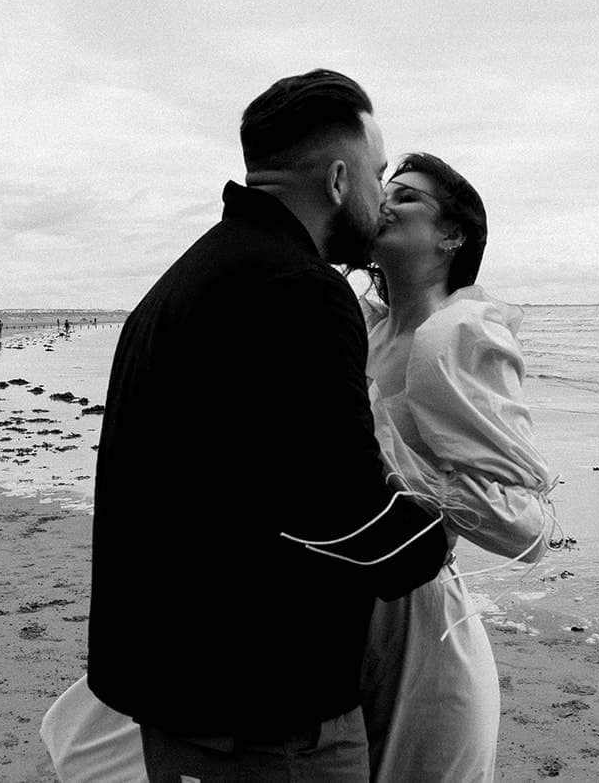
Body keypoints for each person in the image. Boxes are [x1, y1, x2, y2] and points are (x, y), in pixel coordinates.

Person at [74, 70, 450, 782]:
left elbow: (249, 483)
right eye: (377, 176)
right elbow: (339, 509)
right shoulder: (301, 290)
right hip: (263, 723)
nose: (381, 199)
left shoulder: (182, 282)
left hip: (181, 703)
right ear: (339, 179)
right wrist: (437, 533)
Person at [358, 152, 556, 782]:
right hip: (347, 621)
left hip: (422, 633)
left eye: (409, 197)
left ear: (453, 236)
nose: (387, 200)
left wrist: (396, 460)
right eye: (384, 188)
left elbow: (529, 528)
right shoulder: (362, 331)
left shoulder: (454, 340)